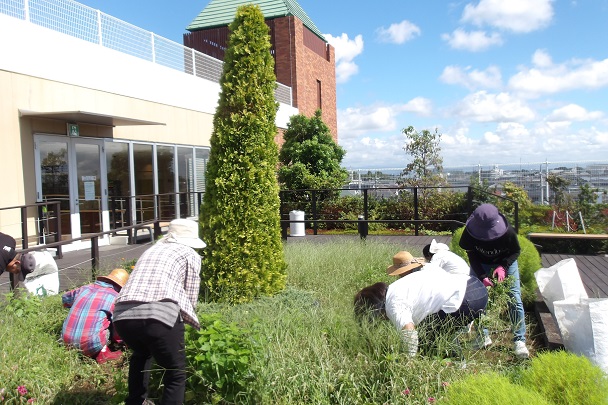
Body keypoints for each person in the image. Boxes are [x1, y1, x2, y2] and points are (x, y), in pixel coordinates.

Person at [113, 218, 206, 405]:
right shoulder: (190, 254)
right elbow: (190, 296)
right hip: (159, 315)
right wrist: (185, 321)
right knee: (176, 371)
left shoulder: (151, 250)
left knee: (141, 355)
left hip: (122, 315)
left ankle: (136, 402)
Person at [354, 251, 488, 357]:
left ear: (373, 308)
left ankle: (456, 365)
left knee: (426, 339)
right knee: (437, 329)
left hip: (466, 299)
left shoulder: (393, 304)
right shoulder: (397, 286)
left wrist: (408, 362)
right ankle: (457, 362)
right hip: (475, 286)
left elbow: (410, 334)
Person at [458, 203, 530, 359]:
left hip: (504, 263)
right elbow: (472, 255)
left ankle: (519, 340)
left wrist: (503, 266)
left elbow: (515, 251)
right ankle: (483, 336)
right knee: (476, 298)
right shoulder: (469, 234)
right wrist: (483, 276)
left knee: (514, 298)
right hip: (481, 264)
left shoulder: (507, 232)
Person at [61, 268, 130, 363]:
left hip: (65, 342)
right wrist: (121, 342)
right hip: (91, 346)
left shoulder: (85, 288)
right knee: (109, 322)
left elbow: (65, 299)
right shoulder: (116, 297)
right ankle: (102, 351)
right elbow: (118, 326)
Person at [0, 232, 59, 296]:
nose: (14, 273)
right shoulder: (1, 264)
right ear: (16, 263)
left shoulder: (10, 240)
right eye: (16, 271)